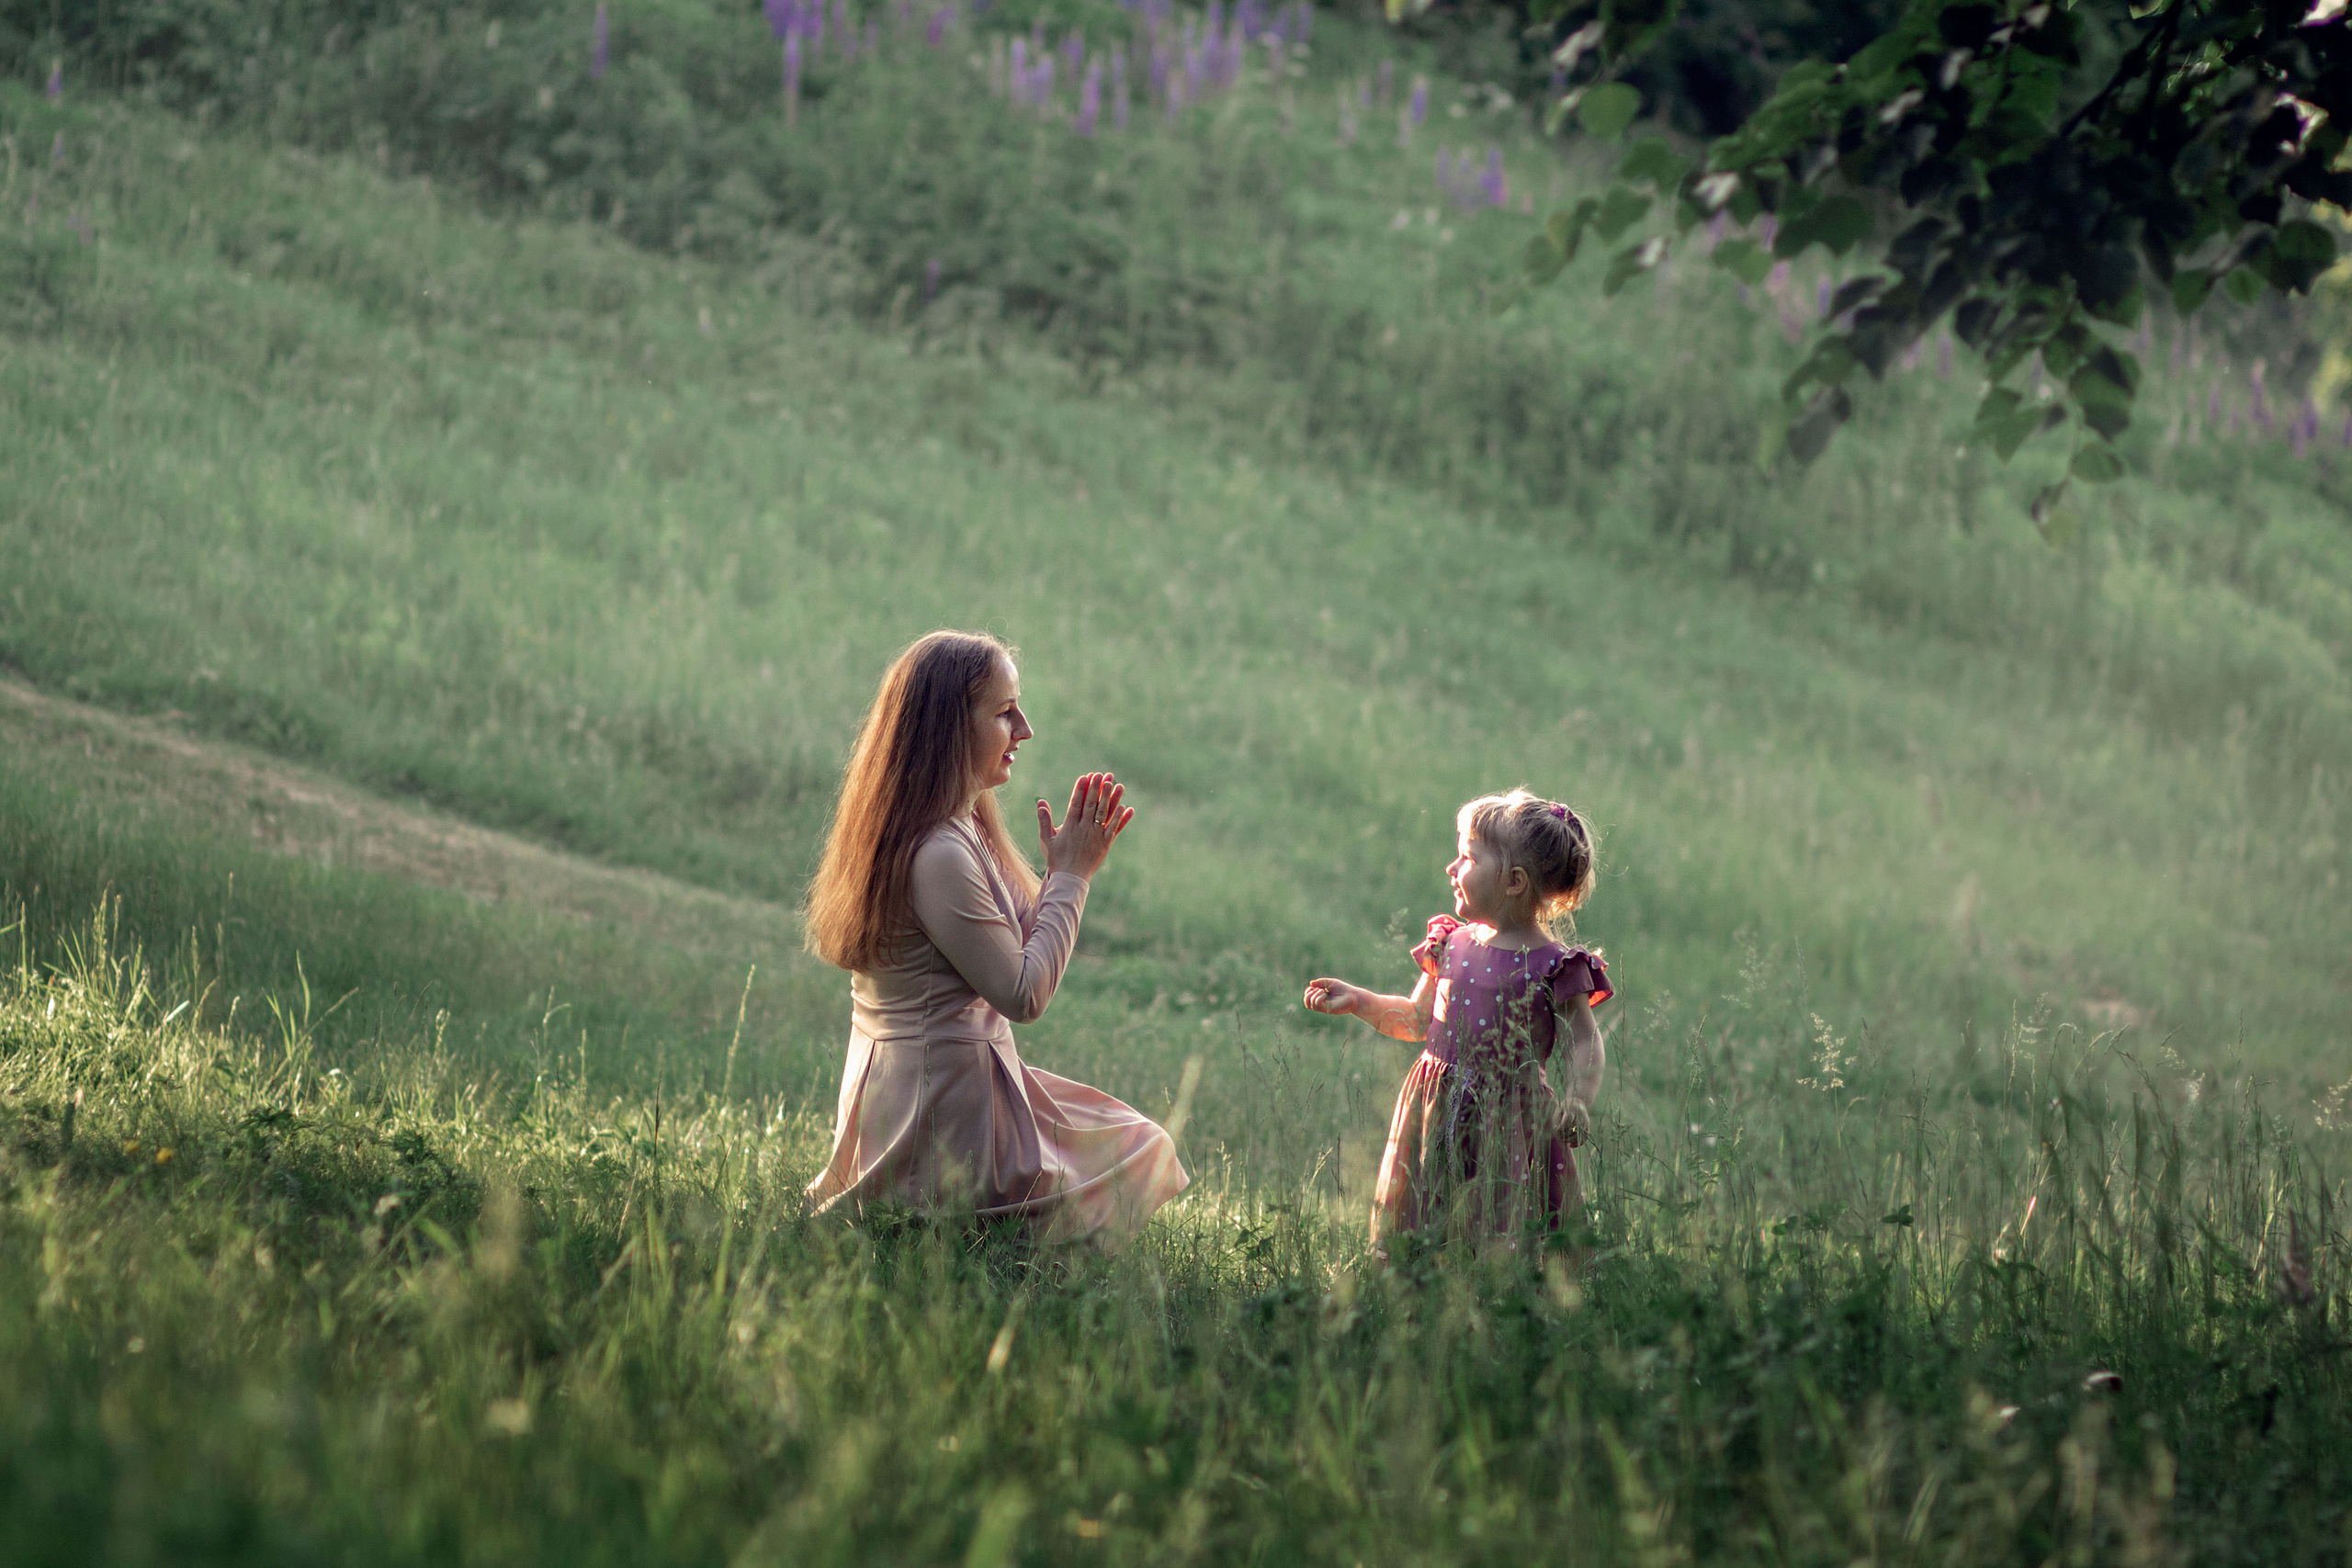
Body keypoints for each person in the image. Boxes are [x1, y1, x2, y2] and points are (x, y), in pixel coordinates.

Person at [801, 630, 1188, 1243]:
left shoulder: (958, 825)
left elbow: (1012, 950)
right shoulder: (939, 852)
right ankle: (1021, 1265)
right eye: (1005, 712)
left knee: (1136, 1142)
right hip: (940, 1113)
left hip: (948, 1087)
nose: (1024, 729)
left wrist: (1062, 871)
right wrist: (1073, 878)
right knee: (1140, 1154)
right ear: (951, 728)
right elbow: (1023, 993)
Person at [1304, 789, 1611, 1256]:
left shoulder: (1554, 966)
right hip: (1435, 1111)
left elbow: (1585, 1042)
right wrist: (1359, 1001)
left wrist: (1578, 1100)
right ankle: (1422, 1284)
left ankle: (1497, 1287)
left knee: (1501, 1222)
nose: (1452, 867)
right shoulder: (1451, 944)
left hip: (1511, 1122)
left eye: (1468, 857)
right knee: (1427, 1213)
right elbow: (1416, 1020)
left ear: (1513, 881)